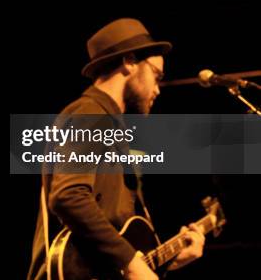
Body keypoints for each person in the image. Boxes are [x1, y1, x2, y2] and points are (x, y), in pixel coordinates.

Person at [27, 18, 205, 280]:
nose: (157, 89)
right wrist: (133, 264)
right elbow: (68, 196)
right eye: (156, 75)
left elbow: (119, 243)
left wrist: (167, 259)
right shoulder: (89, 113)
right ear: (130, 62)